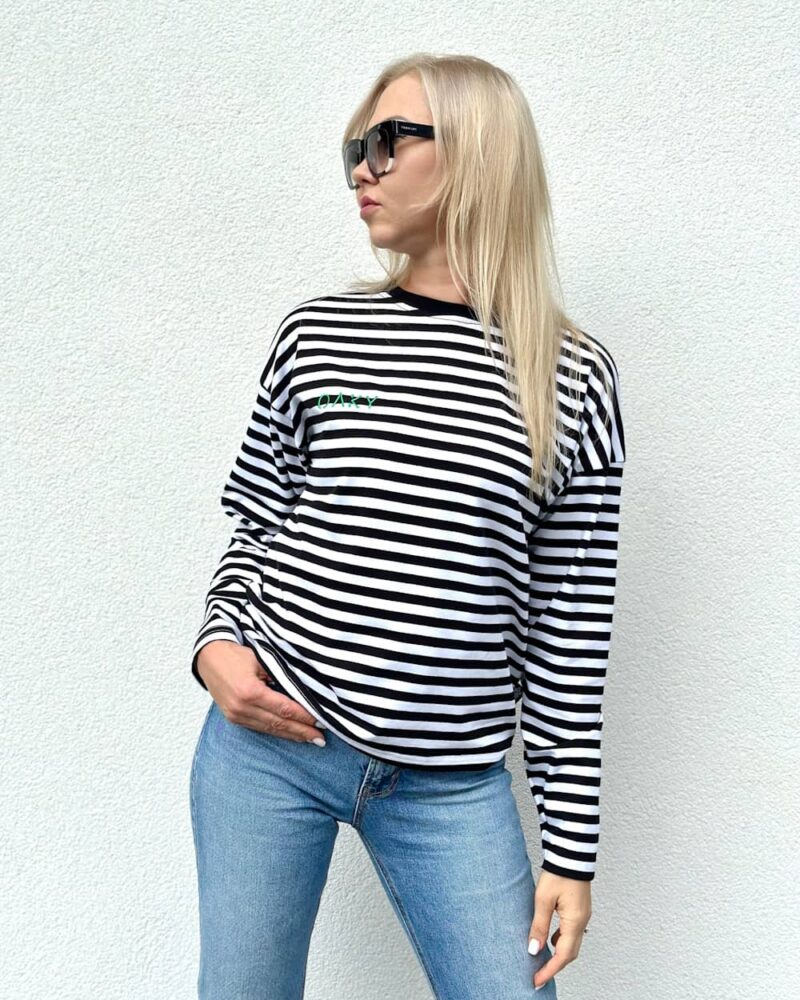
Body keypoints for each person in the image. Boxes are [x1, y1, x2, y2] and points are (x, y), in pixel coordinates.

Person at [189, 53, 626, 1000]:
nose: (364, 167)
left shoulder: (572, 376)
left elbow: (568, 635)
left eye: (390, 140)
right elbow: (257, 524)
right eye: (356, 146)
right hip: (268, 750)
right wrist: (216, 645)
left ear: (478, 151)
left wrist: (570, 852)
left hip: (449, 786)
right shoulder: (318, 334)